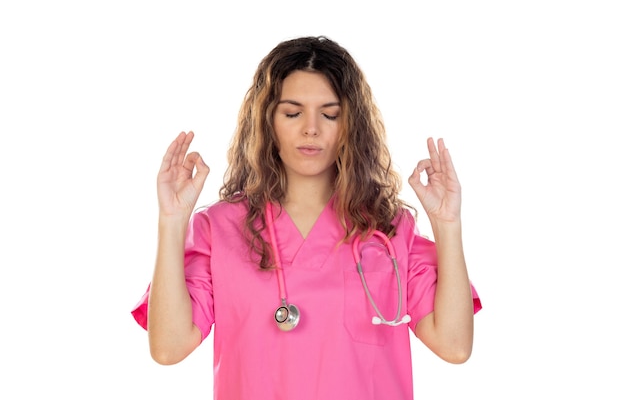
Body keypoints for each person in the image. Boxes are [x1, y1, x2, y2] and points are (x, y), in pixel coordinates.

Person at [131, 35, 481, 400]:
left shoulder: (389, 230)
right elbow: (169, 349)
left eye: (330, 114)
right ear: (268, 122)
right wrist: (171, 221)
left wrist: (448, 224)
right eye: (292, 113)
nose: (311, 128)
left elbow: (454, 346)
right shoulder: (218, 229)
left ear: (350, 126)